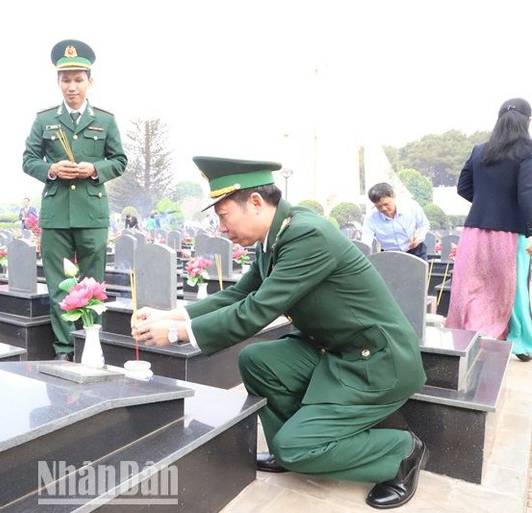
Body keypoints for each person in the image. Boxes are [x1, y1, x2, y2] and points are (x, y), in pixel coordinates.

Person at [132, 156, 428, 509]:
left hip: (377, 362)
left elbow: (257, 310)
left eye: (224, 216)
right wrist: (171, 314)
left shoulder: (307, 235)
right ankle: (292, 448)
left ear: (255, 203)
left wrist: (179, 334)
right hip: (335, 350)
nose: (221, 228)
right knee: (258, 360)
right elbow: (239, 294)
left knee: (297, 446)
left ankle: (400, 451)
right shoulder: (276, 236)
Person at [23, 39, 127, 361]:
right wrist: (51, 169)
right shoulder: (44, 120)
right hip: (55, 214)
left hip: (92, 214)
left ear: (89, 81)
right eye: (65, 80)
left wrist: (94, 168)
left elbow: (119, 160)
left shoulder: (106, 121)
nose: (72, 87)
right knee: (59, 287)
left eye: (78, 79)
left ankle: (91, 349)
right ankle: (64, 351)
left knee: (92, 285)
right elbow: (28, 160)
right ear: (58, 82)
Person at [446, 98, 532, 362]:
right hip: (511, 231)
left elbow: (463, 187)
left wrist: (486, 202)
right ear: (526, 121)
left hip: (474, 230)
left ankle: (467, 333)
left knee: (471, 285)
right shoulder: (527, 150)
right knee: (513, 287)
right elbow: (527, 192)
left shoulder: (479, 150)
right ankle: (522, 344)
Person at [361, 183, 430, 260]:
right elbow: (366, 241)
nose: (383, 208)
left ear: (394, 197)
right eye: (379, 206)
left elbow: (424, 224)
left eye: (386, 204)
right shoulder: (371, 217)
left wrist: (418, 238)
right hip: (389, 254)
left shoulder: (411, 206)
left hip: (415, 250)